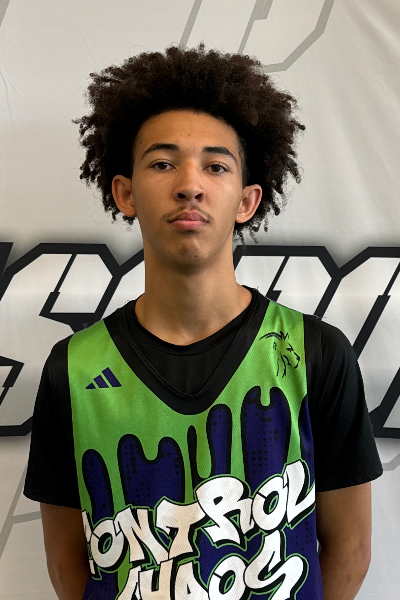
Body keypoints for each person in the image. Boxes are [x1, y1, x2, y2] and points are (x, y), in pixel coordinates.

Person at [24, 43, 382, 600]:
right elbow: (66, 560)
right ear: (125, 193)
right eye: (163, 163)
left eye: (216, 166)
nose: (189, 184)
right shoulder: (73, 369)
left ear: (246, 201)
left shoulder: (316, 353)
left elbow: (351, 550)